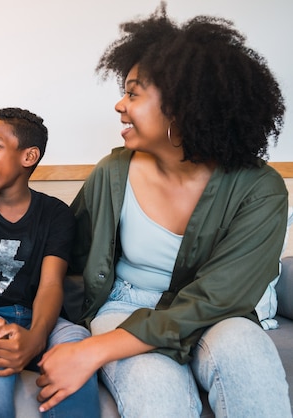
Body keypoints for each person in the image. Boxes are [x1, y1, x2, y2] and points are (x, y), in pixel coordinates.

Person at [35, 3, 292, 417]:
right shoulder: (112, 172)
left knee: (247, 354)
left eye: (133, 93)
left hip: (217, 316)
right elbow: (65, 249)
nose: (120, 105)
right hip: (124, 304)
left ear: (181, 106)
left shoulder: (260, 189)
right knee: (153, 388)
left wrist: (93, 352)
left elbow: (217, 300)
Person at [0, 108, 100, 418]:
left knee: (77, 342)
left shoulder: (57, 215)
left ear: (28, 157)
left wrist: (37, 337)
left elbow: (52, 284)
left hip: (43, 319)